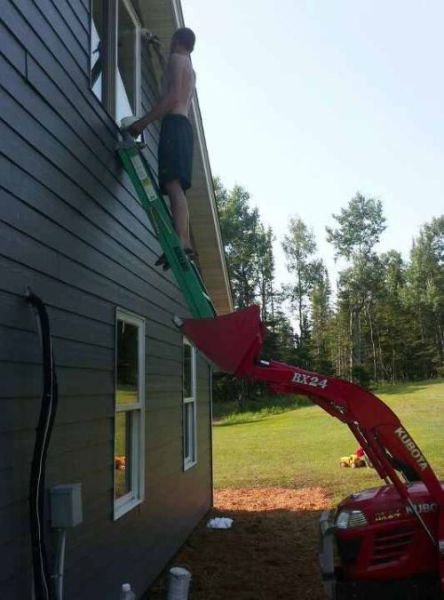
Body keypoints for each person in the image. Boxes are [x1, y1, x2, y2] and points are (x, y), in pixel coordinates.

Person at [126, 28, 196, 267]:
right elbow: (175, 86)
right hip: (184, 127)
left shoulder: (177, 59)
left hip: (174, 125)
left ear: (176, 40)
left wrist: (142, 123)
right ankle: (183, 240)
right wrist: (156, 52)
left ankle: (182, 242)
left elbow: (172, 97)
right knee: (177, 187)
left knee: (172, 184)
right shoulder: (189, 68)